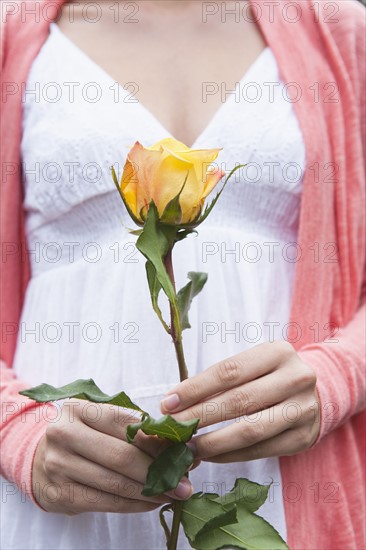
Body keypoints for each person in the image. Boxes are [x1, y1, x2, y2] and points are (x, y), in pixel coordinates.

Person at [1, 1, 365, 549]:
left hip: (283, 490)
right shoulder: (12, 32)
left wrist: (342, 374)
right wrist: (17, 434)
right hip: (66, 516)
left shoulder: (339, 30)